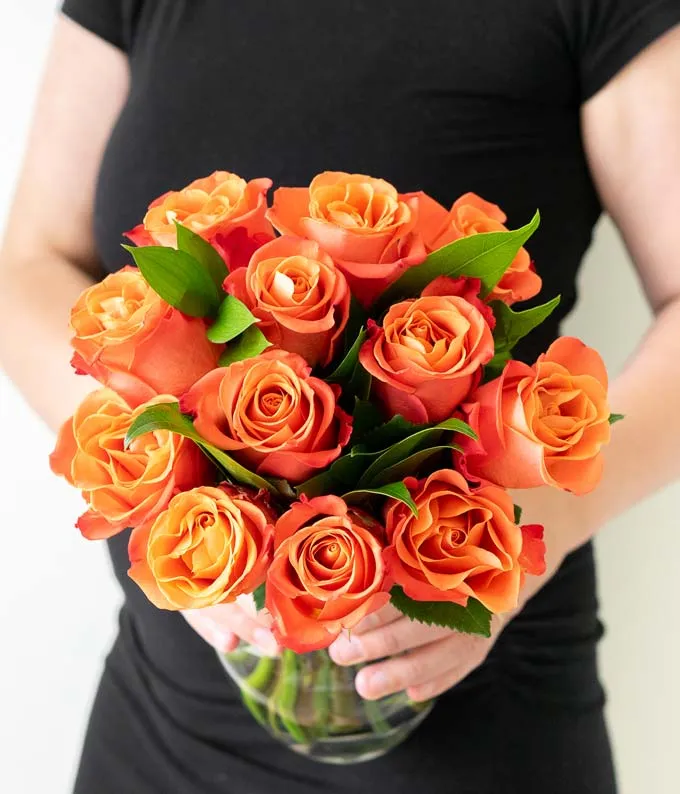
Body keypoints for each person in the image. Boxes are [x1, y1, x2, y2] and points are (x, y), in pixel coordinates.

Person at [2, 1, 680, 792]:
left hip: (477, 721)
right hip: (162, 731)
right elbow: (31, 263)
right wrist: (162, 480)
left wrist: (544, 524)